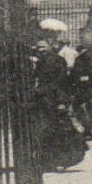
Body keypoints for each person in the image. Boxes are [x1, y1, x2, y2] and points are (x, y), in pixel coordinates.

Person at [29, 37, 85, 170]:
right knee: (49, 131)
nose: (39, 50)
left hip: (52, 101)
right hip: (44, 100)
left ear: (51, 45)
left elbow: (60, 83)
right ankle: (51, 160)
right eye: (38, 47)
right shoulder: (43, 60)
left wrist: (61, 101)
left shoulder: (56, 60)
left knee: (54, 131)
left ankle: (56, 159)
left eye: (42, 46)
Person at [69, 28, 92, 139]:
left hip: (87, 87)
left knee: (88, 108)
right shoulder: (86, 54)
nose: (80, 40)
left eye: (82, 38)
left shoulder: (91, 55)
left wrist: (82, 79)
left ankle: (91, 130)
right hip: (84, 87)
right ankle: (89, 129)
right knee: (86, 108)